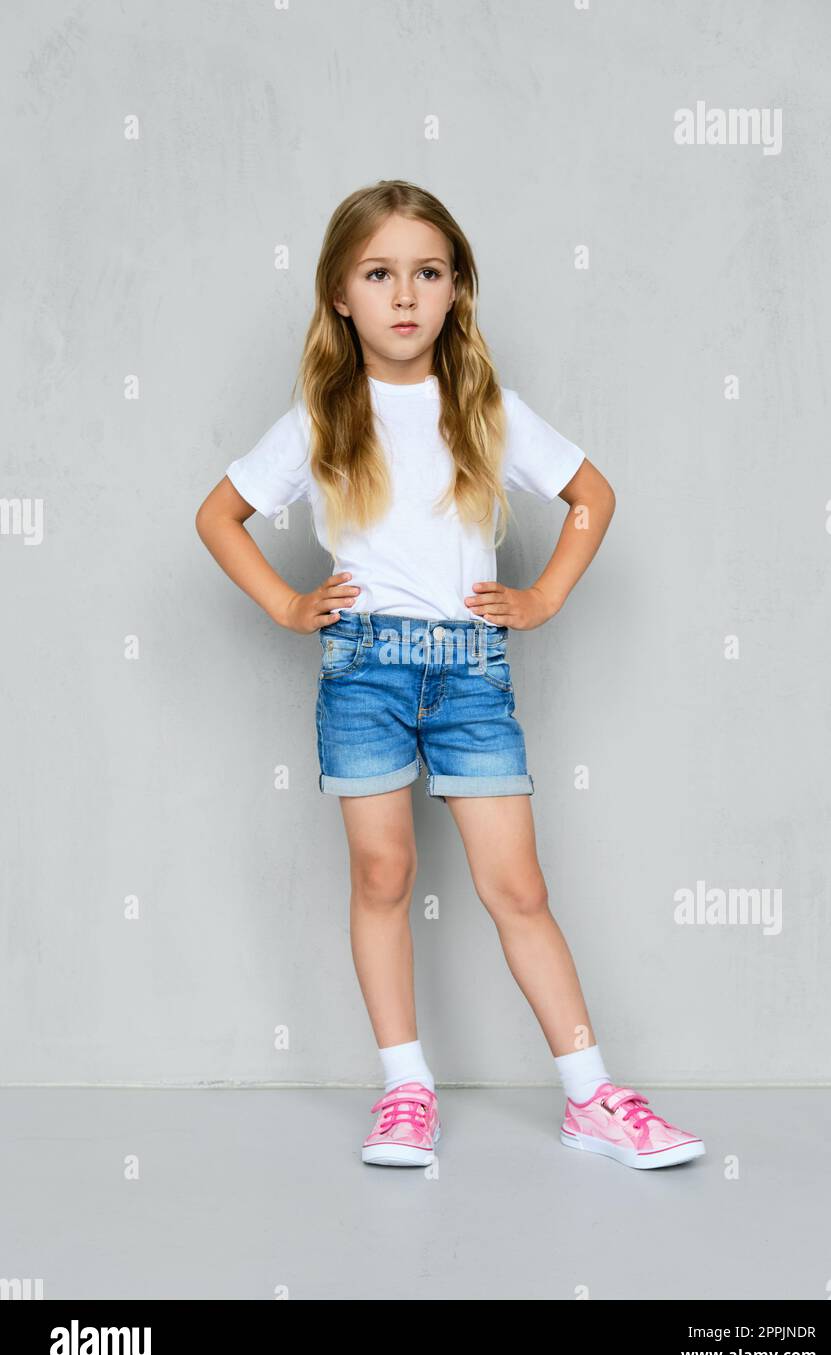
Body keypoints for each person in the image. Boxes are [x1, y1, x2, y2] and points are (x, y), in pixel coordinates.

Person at [196, 179, 705, 1173]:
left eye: (426, 273)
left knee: (515, 882)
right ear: (340, 293)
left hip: (470, 674)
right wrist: (289, 606)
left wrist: (545, 597)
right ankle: (404, 1087)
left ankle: (591, 1095)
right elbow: (218, 515)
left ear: (455, 289)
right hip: (364, 672)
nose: (403, 294)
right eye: (379, 273)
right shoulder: (321, 415)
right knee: (383, 872)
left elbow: (590, 493)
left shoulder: (482, 408)